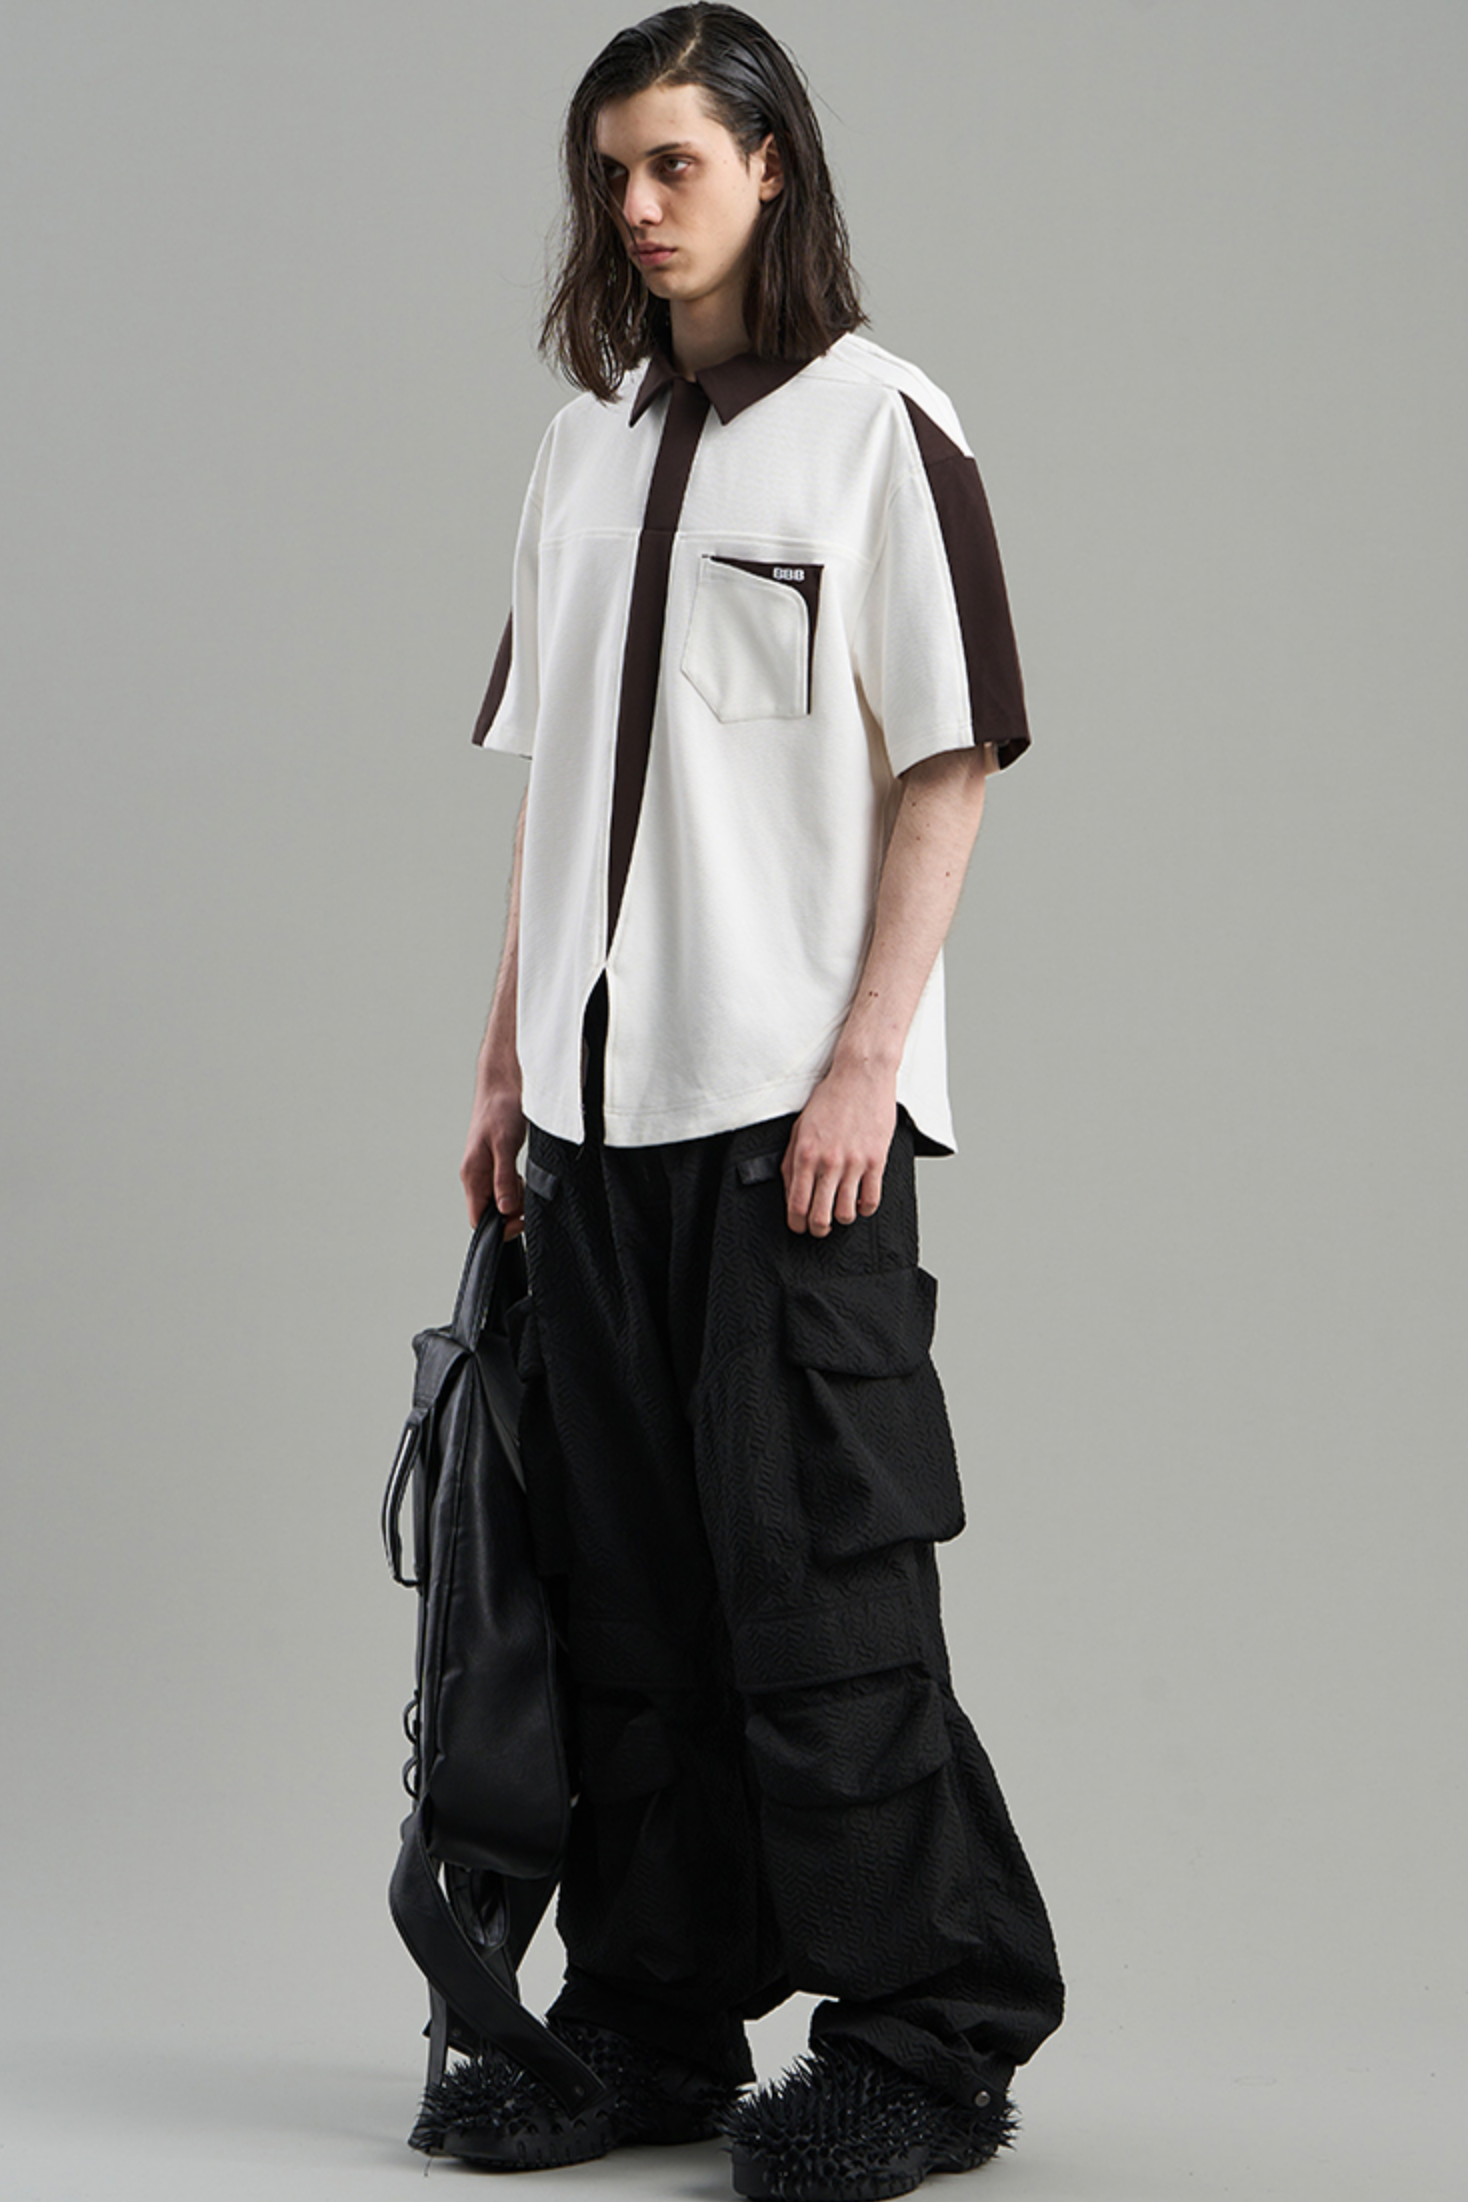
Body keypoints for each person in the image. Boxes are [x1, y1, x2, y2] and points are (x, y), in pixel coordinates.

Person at [411, 7, 1064, 2195]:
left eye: (675, 161)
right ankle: (653, 2019)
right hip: (590, 1134)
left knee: (821, 1599)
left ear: (773, 164)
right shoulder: (581, 448)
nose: (634, 205)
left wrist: (868, 1061)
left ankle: (929, 2040)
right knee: (623, 1602)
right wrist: (507, 1051)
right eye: (610, 169)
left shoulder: (882, 429)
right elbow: (553, 793)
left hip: (792, 1128)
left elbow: (947, 758)